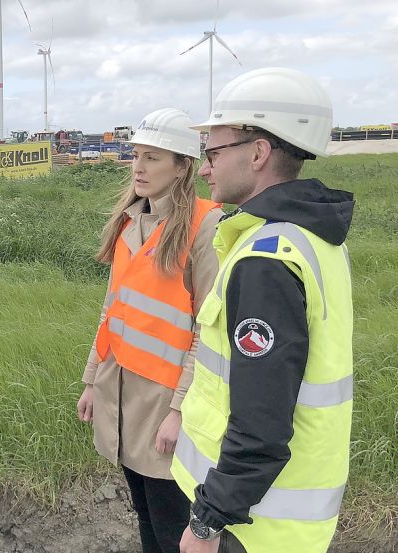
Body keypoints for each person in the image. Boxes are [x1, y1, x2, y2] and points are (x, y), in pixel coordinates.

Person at [171, 68, 354, 553]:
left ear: (257, 153)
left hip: (253, 528)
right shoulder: (308, 237)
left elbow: (262, 421)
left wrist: (207, 523)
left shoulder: (266, 261)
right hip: (280, 520)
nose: (204, 169)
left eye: (212, 153)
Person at [77, 108, 224, 553]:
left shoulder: (205, 226)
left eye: (153, 158)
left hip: (165, 403)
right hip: (120, 392)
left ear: (184, 166)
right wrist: (91, 380)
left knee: (172, 526)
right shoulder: (129, 223)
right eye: (136, 156)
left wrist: (180, 410)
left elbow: (209, 330)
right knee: (144, 516)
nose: (138, 167)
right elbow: (112, 310)